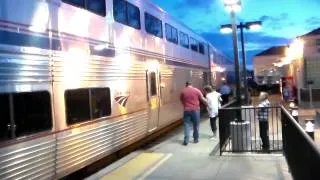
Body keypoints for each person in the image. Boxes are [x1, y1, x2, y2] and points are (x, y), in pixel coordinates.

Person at [180, 81, 207, 146]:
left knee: (186, 125)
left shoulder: (183, 91)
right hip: (195, 110)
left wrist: (185, 105)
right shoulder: (197, 90)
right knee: (196, 125)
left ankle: (186, 141)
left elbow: (181, 100)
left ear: (186, 85)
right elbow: (202, 99)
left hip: (186, 110)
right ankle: (195, 139)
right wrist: (207, 104)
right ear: (192, 84)